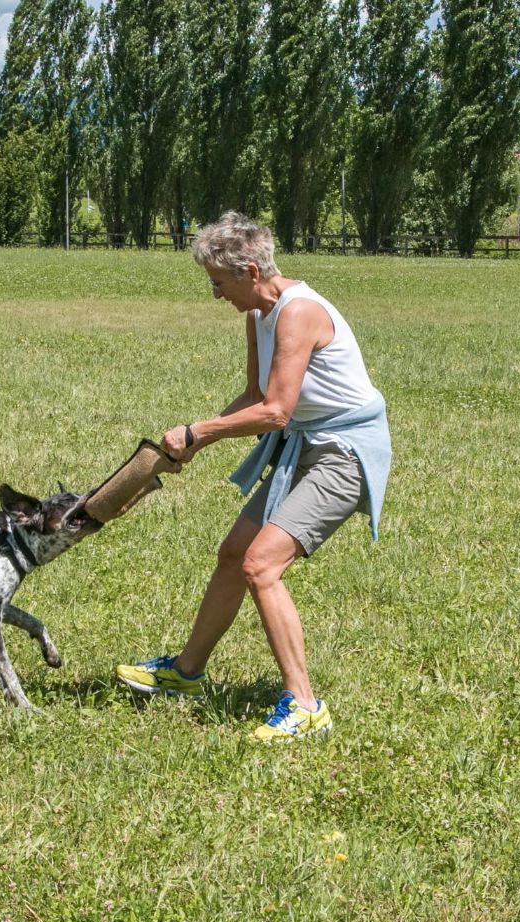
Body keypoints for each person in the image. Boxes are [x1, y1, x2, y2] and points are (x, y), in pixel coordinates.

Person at [115, 212, 391, 741]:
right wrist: (196, 440)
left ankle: (305, 705)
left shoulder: (299, 312)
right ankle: (187, 673)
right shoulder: (259, 315)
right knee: (234, 552)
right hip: (304, 444)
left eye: (218, 283)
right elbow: (254, 397)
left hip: (345, 453)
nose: (215, 294)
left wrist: (198, 432)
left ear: (248, 270)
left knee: (261, 564)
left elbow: (275, 411)